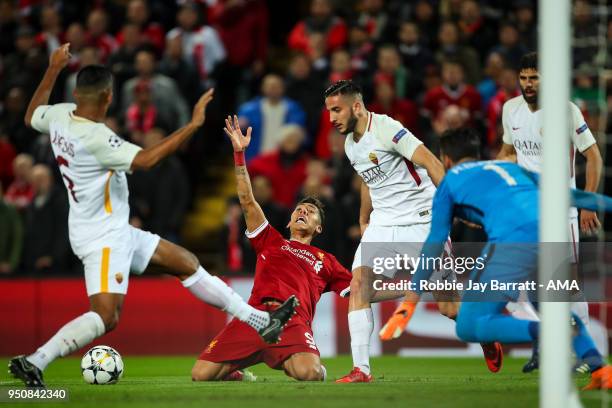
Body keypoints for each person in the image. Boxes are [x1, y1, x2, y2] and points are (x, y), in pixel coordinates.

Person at [9, 44, 298, 388]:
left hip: (109, 228)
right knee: (106, 316)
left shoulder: (59, 115)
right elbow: (146, 161)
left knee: (186, 263)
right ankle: (35, 360)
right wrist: (192, 126)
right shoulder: (97, 137)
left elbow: (31, 116)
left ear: (77, 94)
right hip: (103, 237)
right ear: (106, 97)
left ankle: (259, 321)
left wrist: (53, 68)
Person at [384, 127, 612, 390]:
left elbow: (435, 242)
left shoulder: (449, 181)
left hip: (513, 241)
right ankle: (600, 370)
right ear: (477, 153)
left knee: (469, 325)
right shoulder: (511, 169)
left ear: (445, 159)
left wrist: (410, 302)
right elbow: (574, 196)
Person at [323, 80, 500, 382]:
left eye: (336, 110)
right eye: (329, 112)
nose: (332, 118)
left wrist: (453, 204)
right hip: (384, 223)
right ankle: (361, 369)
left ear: (356, 106)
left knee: (449, 307)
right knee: (359, 284)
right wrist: (365, 218)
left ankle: (484, 333)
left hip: (421, 221)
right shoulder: (351, 143)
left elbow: (430, 161)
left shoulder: (388, 129)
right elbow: (368, 179)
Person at [191, 116, 352, 382]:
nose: (303, 211)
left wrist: (407, 289)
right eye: (299, 209)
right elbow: (246, 200)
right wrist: (239, 154)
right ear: (289, 220)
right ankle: (240, 373)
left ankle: (299, 363)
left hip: (292, 322)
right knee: (201, 375)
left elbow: (358, 289)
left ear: (319, 228)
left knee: (309, 374)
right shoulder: (270, 240)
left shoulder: (327, 261)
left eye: (311, 212)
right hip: (253, 317)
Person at [496, 52, 603, 372]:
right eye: (524, 78)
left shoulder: (566, 111)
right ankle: (547, 348)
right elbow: (507, 152)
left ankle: (586, 355)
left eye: (535, 77)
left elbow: (594, 157)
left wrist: (586, 202)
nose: (528, 84)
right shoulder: (510, 109)